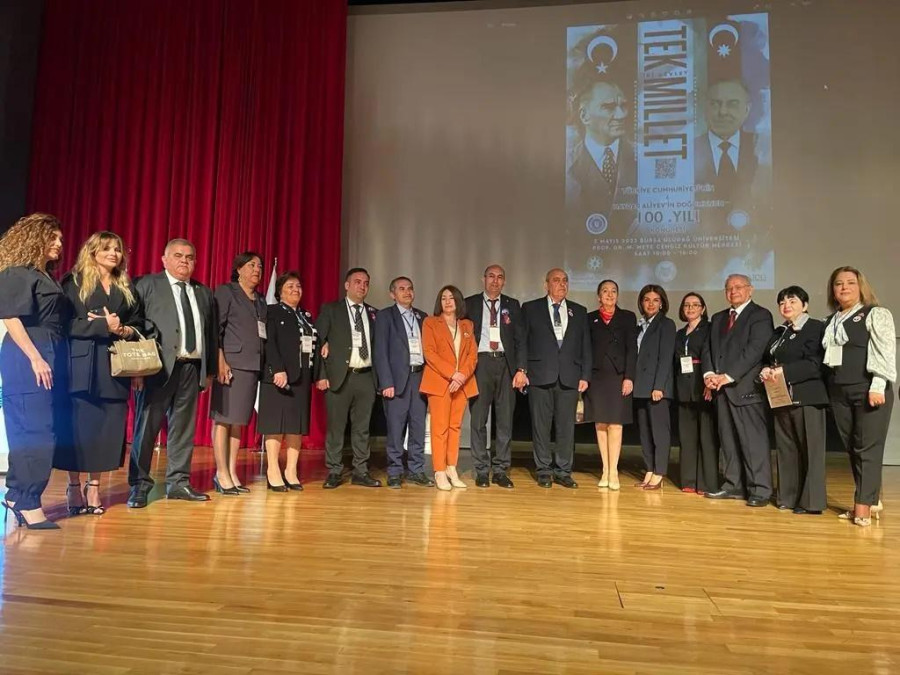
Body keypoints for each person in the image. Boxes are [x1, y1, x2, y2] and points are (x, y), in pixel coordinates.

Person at [55, 231, 144, 516]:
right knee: (78, 429)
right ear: (92, 251)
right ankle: (73, 485)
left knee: (106, 430)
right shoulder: (73, 282)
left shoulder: (126, 286)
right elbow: (64, 325)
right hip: (80, 366)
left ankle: (94, 487)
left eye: (117, 249)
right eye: (107, 248)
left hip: (115, 367)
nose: (113, 254)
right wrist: (101, 325)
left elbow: (138, 324)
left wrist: (123, 329)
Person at [128, 238, 216, 508]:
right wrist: (137, 370)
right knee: (147, 428)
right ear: (164, 259)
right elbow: (134, 326)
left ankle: (178, 483)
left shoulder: (203, 292)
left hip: (192, 367)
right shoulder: (146, 285)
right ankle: (139, 486)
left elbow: (211, 334)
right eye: (178, 256)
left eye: (189, 257)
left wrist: (209, 371)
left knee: (184, 429)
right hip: (157, 368)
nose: (184, 261)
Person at [0, 213, 69, 529]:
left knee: (36, 427)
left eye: (60, 238)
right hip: (28, 355)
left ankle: (18, 495)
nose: (59, 243)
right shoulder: (18, 273)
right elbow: (10, 317)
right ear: (34, 239)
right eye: (52, 237)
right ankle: (27, 501)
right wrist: (35, 358)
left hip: (46, 351)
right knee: (35, 429)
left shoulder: (44, 276)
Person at [822, 267, 895, 527]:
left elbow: (885, 350)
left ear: (861, 286)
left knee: (867, 448)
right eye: (838, 283)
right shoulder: (831, 321)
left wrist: (878, 384)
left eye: (850, 283)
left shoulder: (875, 313)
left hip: (868, 389)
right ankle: (872, 500)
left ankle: (861, 507)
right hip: (839, 391)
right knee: (853, 447)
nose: (844, 287)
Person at [702, 273, 774, 507]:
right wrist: (709, 375)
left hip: (746, 389)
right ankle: (733, 485)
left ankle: (760, 489)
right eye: (729, 288)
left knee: (753, 442)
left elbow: (755, 350)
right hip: (721, 391)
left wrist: (728, 376)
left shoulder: (760, 315)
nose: (733, 291)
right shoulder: (718, 317)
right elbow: (708, 349)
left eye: (738, 287)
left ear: (750, 290)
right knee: (728, 441)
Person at [519, 268, 591, 488]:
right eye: (557, 280)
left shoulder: (579, 311)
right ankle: (543, 470)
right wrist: (522, 370)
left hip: (569, 377)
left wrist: (585, 375)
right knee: (540, 427)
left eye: (565, 280)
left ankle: (563, 471)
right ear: (546, 284)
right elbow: (522, 342)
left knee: (566, 428)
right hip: (540, 376)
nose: (562, 284)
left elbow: (586, 346)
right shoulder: (531, 308)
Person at [759, 286, 828, 515]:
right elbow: (769, 359)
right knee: (786, 449)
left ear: (805, 305)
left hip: (807, 397)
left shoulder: (816, 327)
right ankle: (787, 497)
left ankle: (811, 502)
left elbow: (815, 363)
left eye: (792, 301)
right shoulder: (780, 332)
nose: (786, 305)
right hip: (780, 397)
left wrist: (782, 371)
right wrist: (766, 370)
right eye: (782, 302)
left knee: (811, 451)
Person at [315, 268, 380, 488]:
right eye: (357, 282)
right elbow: (318, 342)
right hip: (339, 377)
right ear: (347, 285)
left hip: (366, 377)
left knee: (362, 428)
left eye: (366, 283)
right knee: (336, 427)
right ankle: (334, 470)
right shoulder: (331, 310)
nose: (362, 286)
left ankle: (361, 470)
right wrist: (322, 375)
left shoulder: (374, 313)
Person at [464, 265, 526, 489]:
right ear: (483, 279)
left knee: (505, 421)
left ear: (504, 281)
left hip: (506, 365)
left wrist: (521, 369)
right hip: (480, 364)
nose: (495, 281)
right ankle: (481, 470)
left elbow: (520, 340)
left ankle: (500, 470)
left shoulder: (513, 305)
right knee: (478, 419)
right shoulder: (469, 304)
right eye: (491, 276)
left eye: (500, 277)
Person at [210, 252, 266, 494]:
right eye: (252, 265)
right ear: (239, 269)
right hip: (231, 363)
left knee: (239, 421)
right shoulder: (227, 292)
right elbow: (216, 329)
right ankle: (221, 472)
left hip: (252, 365)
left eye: (260, 266)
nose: (257, 269)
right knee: (223, 418)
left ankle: (232, 471)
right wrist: (220, 360)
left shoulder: (260, 299)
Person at [373, 276, 434, 488]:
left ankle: (417, 470)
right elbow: (380, 352)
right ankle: (395, 471)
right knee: (395, 428)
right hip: (396, 381)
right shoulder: (385, 316)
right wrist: (386, 383)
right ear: (392, 294)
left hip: (419, 378)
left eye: (410, 288)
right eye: (401, 289)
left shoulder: (422, 317)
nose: (407, 292)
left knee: (418, 427)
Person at [258, 272, 316, 492]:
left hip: (302, 376)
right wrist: (277, 369)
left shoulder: (305, 315)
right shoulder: (271, 311)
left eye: (298, 286)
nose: (295, 289)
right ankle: (273, 470)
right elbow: (268, 343)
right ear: (279, 291)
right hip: (278, 377)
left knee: (295, 426)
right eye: (290, 286)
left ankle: (291, 471)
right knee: (275, 424)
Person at [420, 285, 478, 490]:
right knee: (440, 428)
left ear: (458, 301)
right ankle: (439, 471)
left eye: (451, 298)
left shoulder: (467, 325)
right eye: (443, 298)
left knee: (455, 427)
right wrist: (452, 374)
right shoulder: (430, 322)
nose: (447, 301)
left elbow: (472, 355)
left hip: (462, 384)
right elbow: (430, 353)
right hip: (440, 382)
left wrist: (461, 376)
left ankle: (452, 468)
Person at [583, 279, 636, 490]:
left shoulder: (627, 317)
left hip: (618, 376)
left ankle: (613, 470)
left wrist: (629, 377)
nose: (609, 294)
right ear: (599, 296)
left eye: (613, 291)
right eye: (605, 291)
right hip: (597, 377)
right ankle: (605, 469)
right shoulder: (589, 319)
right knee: (600, 424)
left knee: (615, 424)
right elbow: (585, 349)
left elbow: (632, 350)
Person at [566, 79, 637, 237]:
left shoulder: (645, 158)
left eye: (623, 106)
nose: (621, 115)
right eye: (609, 107)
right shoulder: (565, 165)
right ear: (584, 116)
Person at [633, 284, 676, 490]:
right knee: (645, 432)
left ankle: (659, 472)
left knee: (659, 432)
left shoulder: (666, 324)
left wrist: (659, 386)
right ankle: (649, 469)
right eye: (647, 300)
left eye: (655, 300)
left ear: (662, 304)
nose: (651, 304)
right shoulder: (639, 325)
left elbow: (665, 358)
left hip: (657, 388)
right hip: (641, 386)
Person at [674, 293, 718, 495]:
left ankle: (706, 482)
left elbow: (713, 356)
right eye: (687, 305)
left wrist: (710, 383)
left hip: (703, 384)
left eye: (695, 305)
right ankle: (689, 480)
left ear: (703, 308)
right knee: (687, 436)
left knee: (706, 437)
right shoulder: (679, 333)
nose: (690, 308)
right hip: (684, 387)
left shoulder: (710, 329)